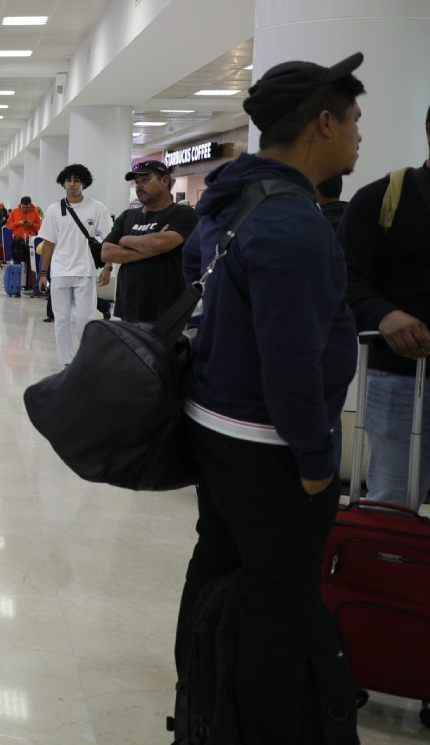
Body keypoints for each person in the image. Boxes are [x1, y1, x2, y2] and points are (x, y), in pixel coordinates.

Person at [175, 53, 362, 743]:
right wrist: (317, 456)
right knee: (279, 602)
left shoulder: (233, 200)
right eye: (354, 121)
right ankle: (250, 725)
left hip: (217, 422)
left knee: (218, 562)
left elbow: (200, 281)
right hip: (268, 444)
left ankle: (199, 704)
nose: (359, 136)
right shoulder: (293, 223)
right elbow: (292, 361)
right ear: (322, 123)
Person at [341, 103, 430, 509]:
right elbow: (344, 277)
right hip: (402, 379)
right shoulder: (384, 197)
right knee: (394, 501)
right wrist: (384, 314)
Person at [99, 160, 199, 325]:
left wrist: (125, 240)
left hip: (167, 310)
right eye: (137, 182)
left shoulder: (183, 214)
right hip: (129, 308)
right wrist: (149, 246)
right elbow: (107, 253)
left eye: (145, 180)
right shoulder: (127, 217)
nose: (139, 185)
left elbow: (160, 244)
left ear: (164, 181)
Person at [37, 165, 113, 366]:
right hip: (60, 272)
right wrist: (43, 273)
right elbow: (48, 244)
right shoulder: (54, 209)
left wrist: (108, 267)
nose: (72, 184)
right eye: (69, 180)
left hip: (85, 272)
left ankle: (85, 360)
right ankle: (67, 362)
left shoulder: (97, 208)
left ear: (84, 183)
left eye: (77, 180)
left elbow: (109, 240)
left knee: (85, 320)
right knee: (61, 321)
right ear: (63, 182)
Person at [5, 196, 40, 294]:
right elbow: (9, 225)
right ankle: (17, 282)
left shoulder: (35, 212)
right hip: (18, 239)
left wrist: (31, 224)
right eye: (23, 207)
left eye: (27, 207)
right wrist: (18, 223)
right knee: (18, 261)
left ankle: (29, 283)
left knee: (30, 262)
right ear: (20, 205)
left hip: (30, 240)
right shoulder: (14, 212)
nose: (25, 209)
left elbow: (38, 226)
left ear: (30, 205)